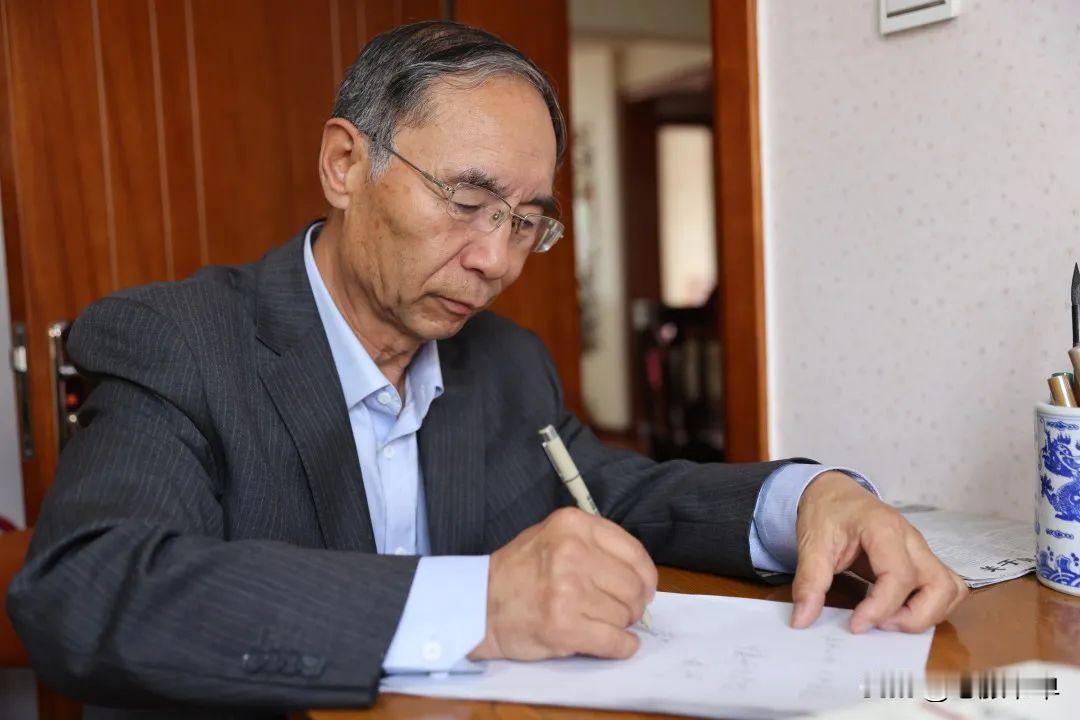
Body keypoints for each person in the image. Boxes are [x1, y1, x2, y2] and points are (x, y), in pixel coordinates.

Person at [7, 20, 967, 718]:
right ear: (345, 164)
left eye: (526, 222)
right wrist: (477, 605)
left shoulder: (503, 362)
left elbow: (617, 495)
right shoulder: (178, 341)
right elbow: (85, 588)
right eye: (467, 203)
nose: (497, 260)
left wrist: (808, 500)